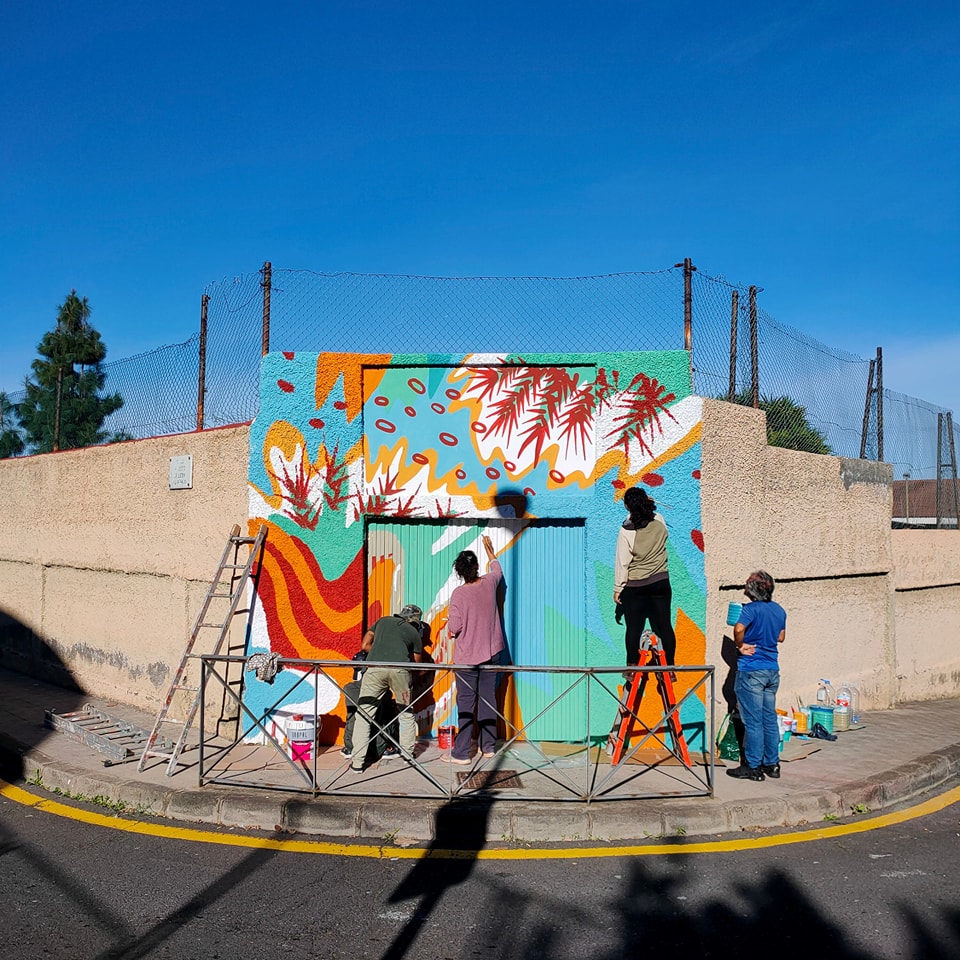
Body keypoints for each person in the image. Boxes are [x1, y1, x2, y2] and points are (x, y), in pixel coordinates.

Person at [444, 534, 504, 765]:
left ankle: (461, 753)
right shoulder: (489, 584)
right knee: (488, 699)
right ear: (477, 567)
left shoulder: (459, 594)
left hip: (467, 657)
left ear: (459, 572)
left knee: (466, 703)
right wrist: (490, 550)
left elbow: (455, 627)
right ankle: (487, 747)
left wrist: (449, 628)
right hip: (491, 654)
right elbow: (498, 570)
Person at [727, 570, 787, 781]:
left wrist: (740, 645)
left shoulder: (750, 609)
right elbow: (781, 637)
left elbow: (738, 628)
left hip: (752, 670)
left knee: (752, 721)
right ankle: (772, 764)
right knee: (768, 719)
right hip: (772, 670)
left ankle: (752, 767)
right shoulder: (779, 610)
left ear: (752, 589)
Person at [349, 603, 424, 772]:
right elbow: (417, 664)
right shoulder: (414, 633)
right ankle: (407, 756)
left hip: (375, 668)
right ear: (415, 621)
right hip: (400, 671)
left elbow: (365, 645)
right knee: (406, 714)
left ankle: (357, 763)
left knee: (364, 715)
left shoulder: (382, 621)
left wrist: (378, 652)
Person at [613, 486, 677, 666]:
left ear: (627, 507)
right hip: (660, 581)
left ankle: (632, 668)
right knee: (664, 626)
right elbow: (654, 514)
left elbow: (622, 562)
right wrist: (648, 503)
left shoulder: (626, 530)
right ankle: (669, 667)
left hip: (635, 586)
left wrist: (618, 588)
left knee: (634, 628)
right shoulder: (659, 521)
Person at [340, 632, 399, 763]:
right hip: (375, 748)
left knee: (353, 716)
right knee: (392, 708)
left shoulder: (348, 688)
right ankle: (388, 748)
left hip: (352, 745)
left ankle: (349, 749)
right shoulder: (383, 690)